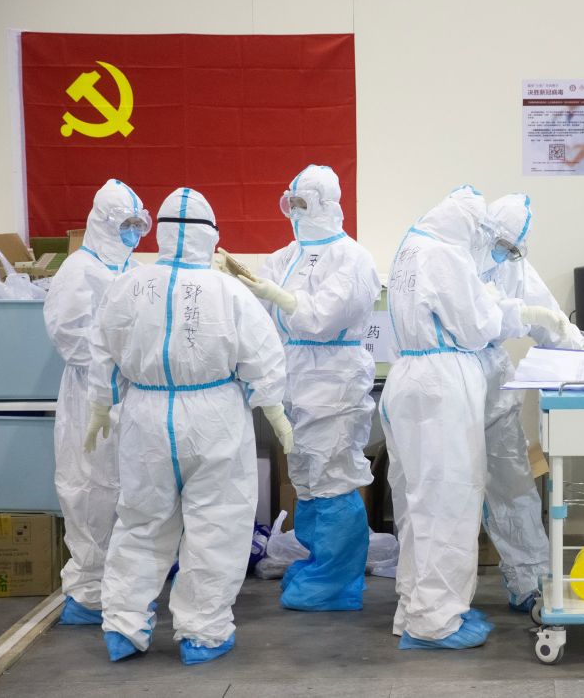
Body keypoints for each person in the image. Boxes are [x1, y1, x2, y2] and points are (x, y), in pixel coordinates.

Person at [85, 187, 292, 666]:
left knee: (139, 521)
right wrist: (275, 411)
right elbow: (263, 357)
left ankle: (122, 627)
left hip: (145, 415)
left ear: (161, 231)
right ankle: (203, 632)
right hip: (214, 416)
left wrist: (101, 405)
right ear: (211, 235)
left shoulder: (127, 286)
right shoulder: (230, 292)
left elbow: (101, 352)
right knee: (216, 525)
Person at [379, 185, 565, 650]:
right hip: (444, 384)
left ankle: (416, 606)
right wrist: (526, 316)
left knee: (419, 503)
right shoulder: (446, 254)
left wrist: (563, 332)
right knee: (449, 502)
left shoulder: (414, 246)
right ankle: (436, 622)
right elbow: (478, 323)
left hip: (414, 381)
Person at [233, 164, 381, 611]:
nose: (295, 211)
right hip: (292, 377)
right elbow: (262, 317)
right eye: (290, 201)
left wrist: (275, 296)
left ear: (327, 203)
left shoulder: (353, 259)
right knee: (308, 478)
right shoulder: (283, 257)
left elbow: (319, 318)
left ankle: (336, 582)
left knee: (333, 476)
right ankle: (319, 562)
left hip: (335, 378)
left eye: (304, 202)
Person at [43, 179, 151, 625]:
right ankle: (88, 592)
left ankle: (122, 583)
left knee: (128, 485)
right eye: (124, 224)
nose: (131, 233)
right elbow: (68, 335)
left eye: (136, 224)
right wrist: (117, 360)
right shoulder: (78, 269)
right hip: (91, 393)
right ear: (103, 221)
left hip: (126, 391)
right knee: (89, 488)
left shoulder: (129, 267)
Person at [476, 194, 580, 614]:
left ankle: (530, 582)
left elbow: (550, 319)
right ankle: (435, 597)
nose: (504, 252)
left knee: (513, 483)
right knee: (443, 495)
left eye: (513, 247)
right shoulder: (454, 258)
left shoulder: (513, 265)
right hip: (450, 383)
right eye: (500, 242)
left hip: (491, 383)